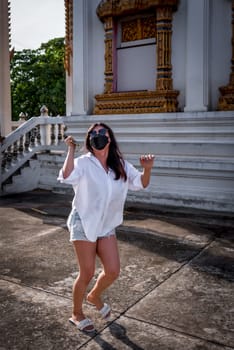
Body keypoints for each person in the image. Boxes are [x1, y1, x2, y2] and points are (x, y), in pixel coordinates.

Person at [58, 122, 155, 333]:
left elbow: (141, 183)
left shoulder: (119, 164)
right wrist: (71, 149)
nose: (97, 135)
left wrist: (147, 169)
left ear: (109, 138)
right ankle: (76, 313)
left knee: (112, 271)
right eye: (93, 133)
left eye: (101, 132)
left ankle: (93, 296)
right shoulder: (83, 162)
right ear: (89, 140)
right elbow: (66, 176)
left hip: (106, 225)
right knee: (87, 272)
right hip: (83, 221)